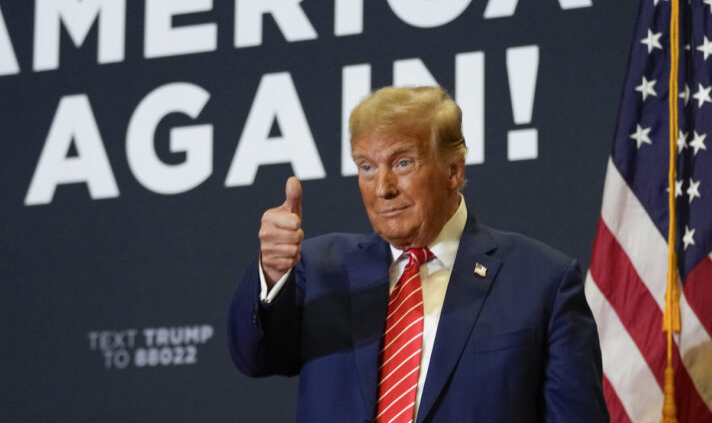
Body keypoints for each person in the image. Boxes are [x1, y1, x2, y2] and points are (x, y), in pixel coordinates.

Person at [228, 86, 608, 423]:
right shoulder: (321, 268)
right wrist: (273, 273)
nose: (383, 188)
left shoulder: (542, 282)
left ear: (454, 171)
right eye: (367, 167)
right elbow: (254, 357)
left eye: (402, 162)